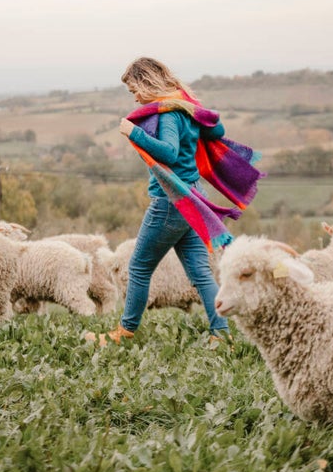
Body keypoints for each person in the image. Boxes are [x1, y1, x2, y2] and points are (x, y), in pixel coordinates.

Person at [85, 56, 237, 347]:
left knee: (139, 268)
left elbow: (167, 153)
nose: (135, 99)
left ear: (146, 82)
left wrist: (134, 132)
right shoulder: (183, 106)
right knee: (200, 273)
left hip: (170, 201)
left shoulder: (169, 114)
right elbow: (217, 129)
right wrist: (193, 109)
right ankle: (222, 333)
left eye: (134, 90)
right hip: (192, 196)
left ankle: (124, 334)